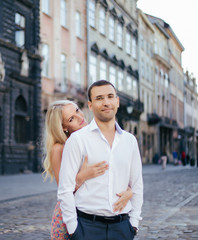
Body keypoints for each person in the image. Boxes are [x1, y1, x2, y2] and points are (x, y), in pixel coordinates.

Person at [57, 80, 143, 240]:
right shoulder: (77, 140)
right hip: (87, 227)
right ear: (90, 105)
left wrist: (134, 224)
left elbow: (137, 185)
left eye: (110, 96)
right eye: (99, 98)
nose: (106, 102)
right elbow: (64, 189)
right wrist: (73, 229)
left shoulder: (130, 141)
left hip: (122, 228)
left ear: (117, 101)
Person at [43, 100, 133, 240]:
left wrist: (129, 191)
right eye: (71, 119)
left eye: (77, 110)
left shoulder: (92, 139)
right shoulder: (59, 148)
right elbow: (64, 190)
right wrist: (83, 176)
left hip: (95, 215)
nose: (80, 117)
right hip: (70, 215)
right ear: (63, 127)